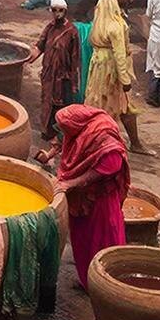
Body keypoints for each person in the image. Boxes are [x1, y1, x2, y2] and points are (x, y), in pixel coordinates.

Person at [36, 104, 129, 288]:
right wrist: (49, 155)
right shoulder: (79, 126)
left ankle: (105, 286)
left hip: (100, 200)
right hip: (81, 198)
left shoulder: (101, 135)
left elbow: (112, 165)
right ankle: (87, 280)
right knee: (82, 240)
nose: (62, 132)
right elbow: (63, 138)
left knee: (101, 241)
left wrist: (71, 183)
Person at [84, 0, 151, 154]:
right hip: (108, 65)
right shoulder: (113, 17)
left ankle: (134, 143)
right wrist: (125, 77)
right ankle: (99, 146)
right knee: (106, 107)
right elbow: (119, 51)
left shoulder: (105, 1)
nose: (131, 0)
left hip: (100, 60)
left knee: (124, 106)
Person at [28, 0, 80, 139]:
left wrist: (74, 82)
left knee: (60, 105)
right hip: (48, 74)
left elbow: (75, 58)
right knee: (46, 101)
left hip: (63, 76)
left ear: (65, 11)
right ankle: (46, 133)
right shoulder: (50, 27)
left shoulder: (72, 31)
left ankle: (60, 136)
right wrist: (28, 58)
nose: (57, 13)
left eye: (60, 11)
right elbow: (40, 46)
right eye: (54, 10)